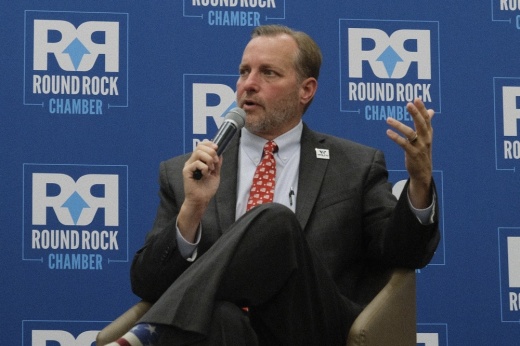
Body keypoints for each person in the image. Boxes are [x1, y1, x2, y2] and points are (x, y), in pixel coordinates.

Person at [110, 24, 440, 346]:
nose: (248, 85)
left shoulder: (355, 166)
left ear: (305, 90)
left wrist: (420, 182)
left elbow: (403, 254)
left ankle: (154, 333)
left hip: (312, 327)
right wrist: (192, 209)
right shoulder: (188, 173)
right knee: (222, 316)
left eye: (268, 73)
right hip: (225, 332)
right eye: (243, 71)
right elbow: (147, 283)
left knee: (275, 221)